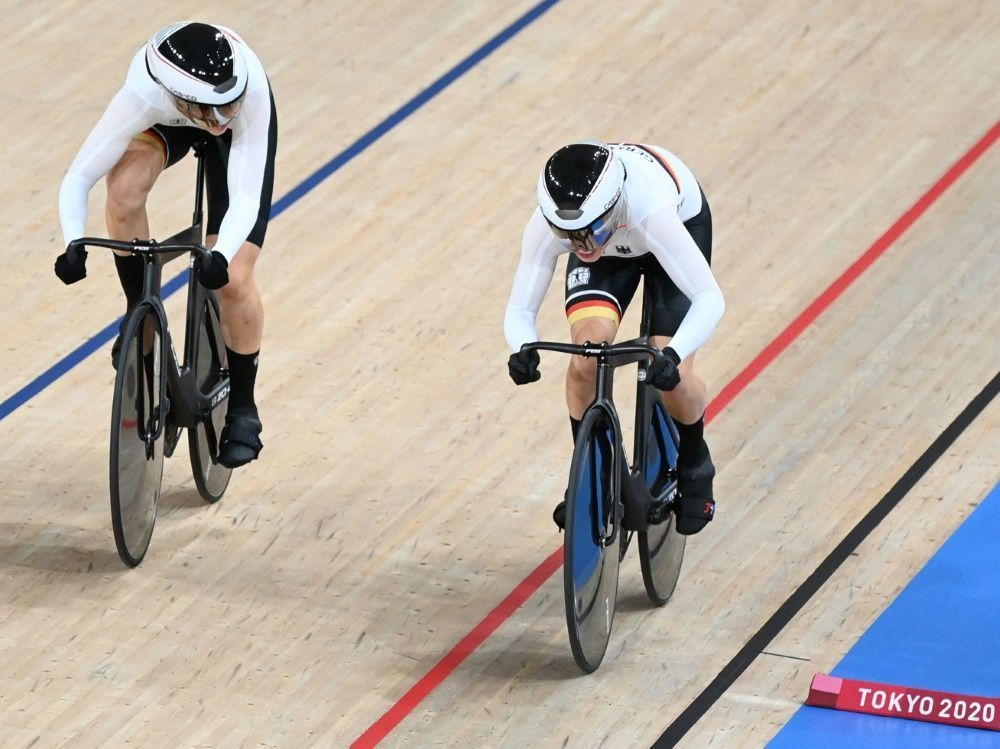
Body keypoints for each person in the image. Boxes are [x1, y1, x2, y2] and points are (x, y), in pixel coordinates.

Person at [54, 21, 278, 469]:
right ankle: (140, 311)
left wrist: (219, 255)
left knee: (233, 278)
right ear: (178, 96)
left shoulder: (244, 101)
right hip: (167, 122)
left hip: (233, 144)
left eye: (228, 105)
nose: (221, 119)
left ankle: (244, 410)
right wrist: (72, 241)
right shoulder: (143, 93)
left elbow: (247, 199)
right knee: (123, 192)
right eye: (213, 112)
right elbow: (79, 176)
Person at [504, 141, 725, 535]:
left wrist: (673, 355)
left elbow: (709, 298)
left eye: (589, 234)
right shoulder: (566, 228)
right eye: (568, 237)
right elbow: (521, 308)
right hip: (615, 250)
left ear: (613, 206)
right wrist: (522, 347)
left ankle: (695, 457)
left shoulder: (651, 212)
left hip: (669, 232)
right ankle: (589, 474)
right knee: (584, 360)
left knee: (670, 366)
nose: (580, 248)